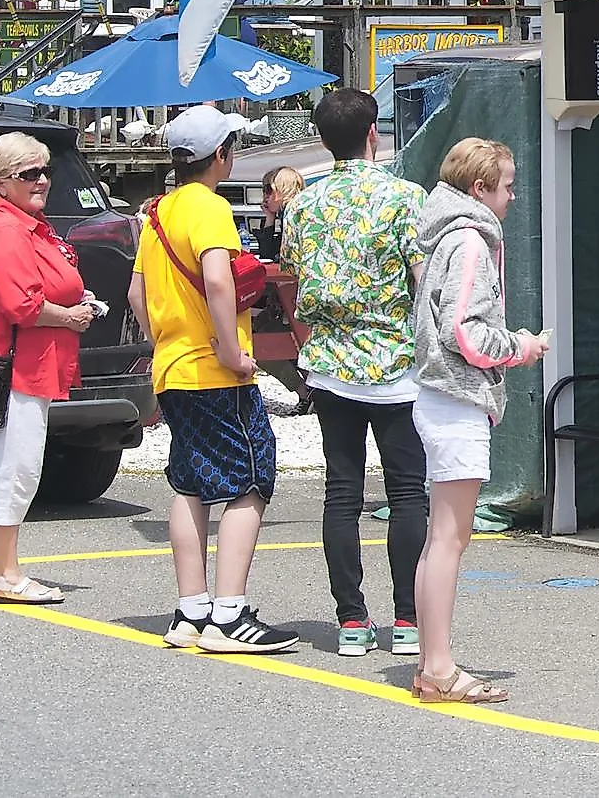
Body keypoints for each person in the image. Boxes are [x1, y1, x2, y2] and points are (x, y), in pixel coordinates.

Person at [124, 104, 299, 655]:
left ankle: (190, 609)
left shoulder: (155, 213)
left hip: (173, 367)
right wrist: (232, 350)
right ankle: (229, 613)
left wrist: (164, 346)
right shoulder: (211, 208)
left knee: (190, 482)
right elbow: (220, 283)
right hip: (215, 368)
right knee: (250, 478)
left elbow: (136, 296)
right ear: (221, 155)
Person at [280, 89, 430, 660]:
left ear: (322, 138)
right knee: (406, 492)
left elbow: (292, 278)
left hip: (331, 364)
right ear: (374, 132)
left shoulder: (303, 205)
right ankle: (408, 617)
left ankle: (350, 619)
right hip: (395, 364)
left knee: (341, 492)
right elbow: (423, 282)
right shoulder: (403, 197)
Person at [409, 137, 547, 703]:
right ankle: (439, 668)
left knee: (441, 537)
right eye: (508, 185)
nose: (513, 196)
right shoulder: (469, 241)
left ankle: (430, 661)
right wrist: (520, 346)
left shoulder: (445, 235)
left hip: (440, 398)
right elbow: (462, 331)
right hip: (456, 398)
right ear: (479, 188)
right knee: (450, 539)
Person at [0, 131, 105, 604]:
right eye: (29, 174)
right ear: (0, 182)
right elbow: (21, 305)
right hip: (12, 367)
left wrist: (74, 302)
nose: (42, 180)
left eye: (45, 171)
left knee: (17, 465)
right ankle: (5, 576)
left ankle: (7, 570)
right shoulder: (3, 230)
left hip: (30, 364)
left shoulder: (25, 224)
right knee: (14, 468)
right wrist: (71, 316)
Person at [254, 165, 304, 262]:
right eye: (263, 190)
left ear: (283, 190)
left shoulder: (295, 215)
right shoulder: (286, 214)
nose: (264, 196)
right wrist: (269, 218)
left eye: (268, 190)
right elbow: (267, 254)